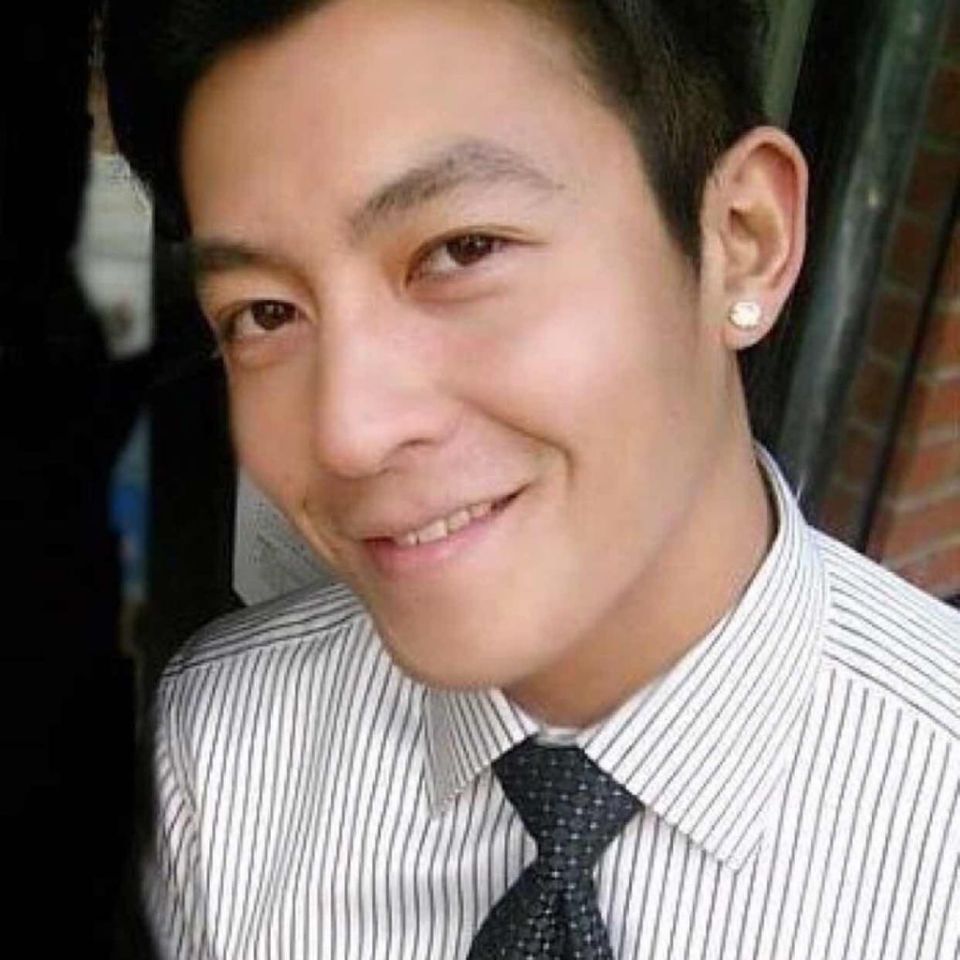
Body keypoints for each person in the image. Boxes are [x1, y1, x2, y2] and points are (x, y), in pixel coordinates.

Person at [105, 0, 960, 957]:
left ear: (741, 238)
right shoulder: (221, 747)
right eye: (264, 312)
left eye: (461, 250)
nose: (348, 432)